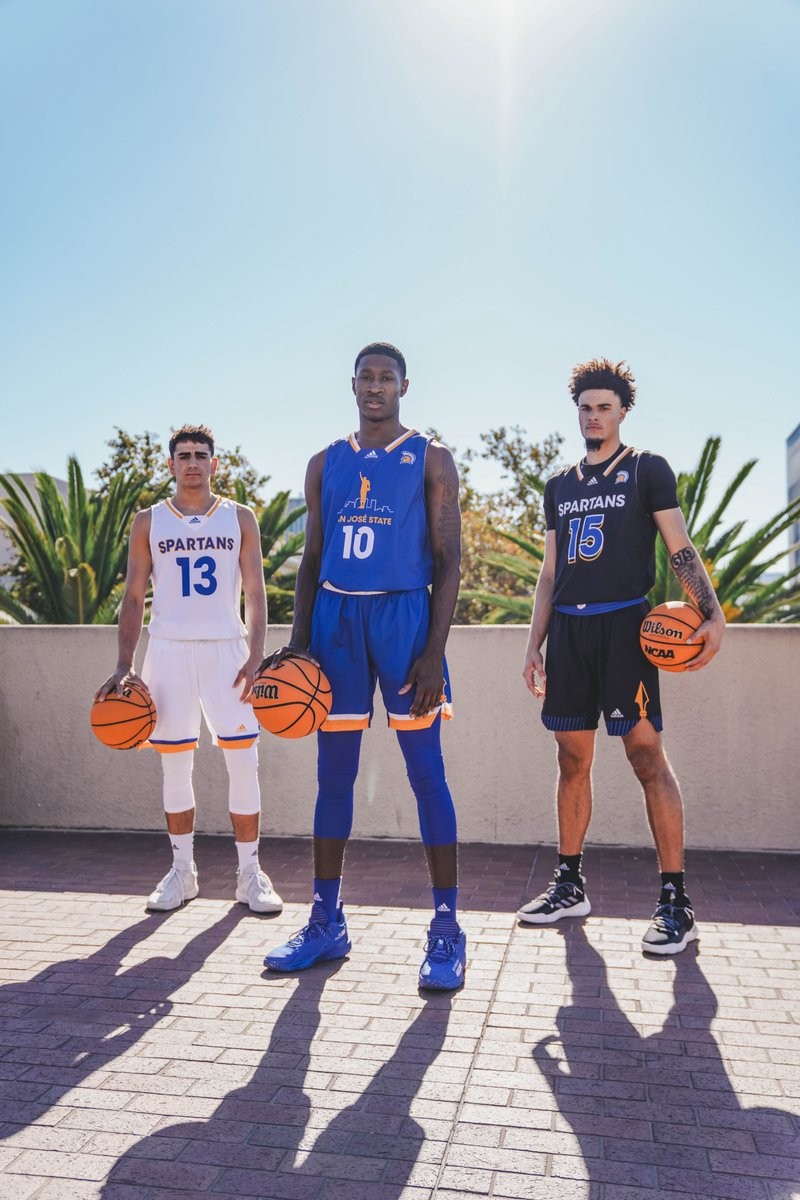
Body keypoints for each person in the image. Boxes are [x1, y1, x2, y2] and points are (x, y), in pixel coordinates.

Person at [262, 342, 465, 989]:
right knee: (334, 777)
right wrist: (299, 641)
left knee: (426, 774)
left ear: (404, 386)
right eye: (366, 377)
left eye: (387, 378)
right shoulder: (325, 462)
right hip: (337, 622)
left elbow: (450, 561)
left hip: (405, 619)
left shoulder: (430, 457)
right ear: (352, 385)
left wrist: (433, 653)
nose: (376, 386)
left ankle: (446, 929)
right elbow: (311, 557)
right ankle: (326, 920)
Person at [519, 359, 725, 954]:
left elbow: (679, 547)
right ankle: (569, 884)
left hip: (625, 627)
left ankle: (675, 901)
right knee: (571, 758)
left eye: (604, 407)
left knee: (645, 755)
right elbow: (550, 572)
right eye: (585, 407)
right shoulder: (559, 485)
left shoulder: (645, 469)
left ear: (622, 412)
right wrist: (534, 644)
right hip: (570, 631)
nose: (593, 416)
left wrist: (711, 613)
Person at [95, 424, 282, 915]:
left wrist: (256, 654)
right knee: (175, 764)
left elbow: (256, 593)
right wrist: (124, 664)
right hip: (168, 649)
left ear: (214, 464)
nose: (193, 462)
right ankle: (183, 871)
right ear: (171, 464)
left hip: (227, 651)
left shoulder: (240, 517)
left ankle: (250, 874)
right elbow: (133, 596)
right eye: (184, 455)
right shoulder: (149, 521)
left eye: (201, 455)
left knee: (244, 761)